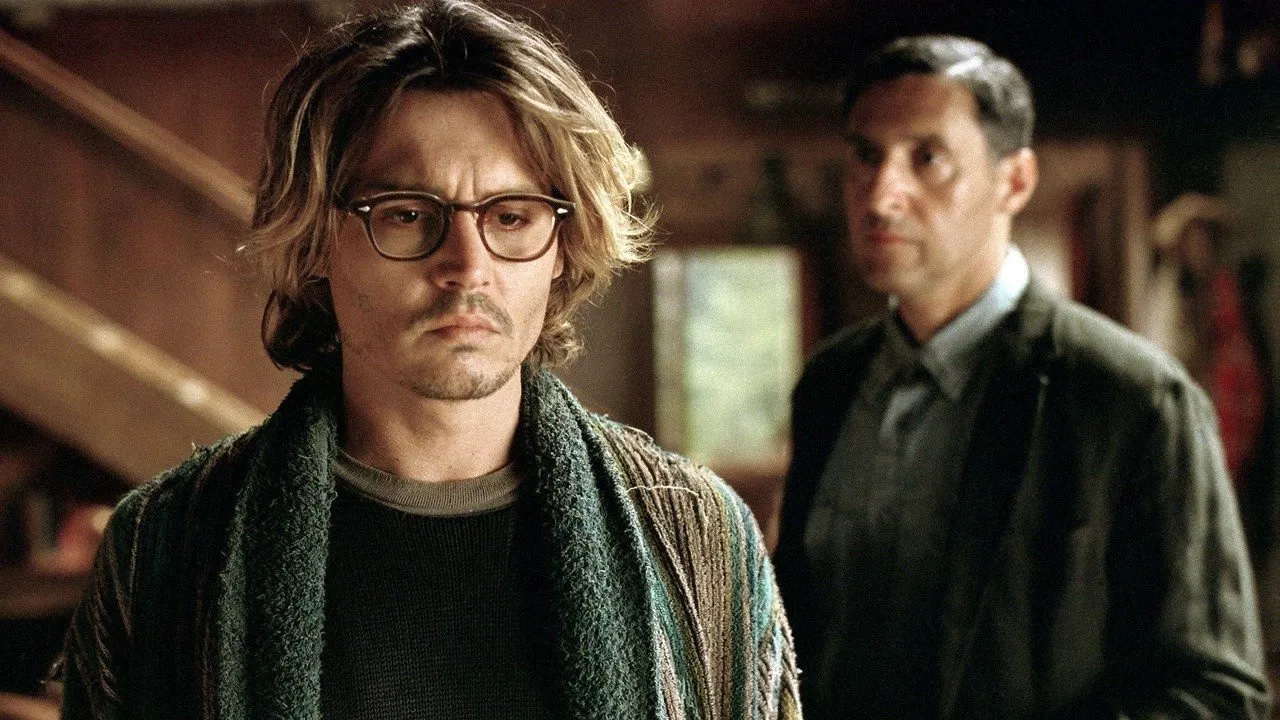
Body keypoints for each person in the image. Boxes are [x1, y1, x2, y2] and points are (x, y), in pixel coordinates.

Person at [53, 3, 800, 718]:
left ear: (563, 249)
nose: (468, 266)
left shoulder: (696, 538)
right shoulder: (165, 546)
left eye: (512, 217)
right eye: (409, 215)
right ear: (316, 240)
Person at [773, 34, 1269, 719]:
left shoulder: (1132, 398)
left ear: (1014, 181)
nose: (881, 195)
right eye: (866, 156)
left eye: (927, 158)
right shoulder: (830, 384)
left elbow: (1214, 694)